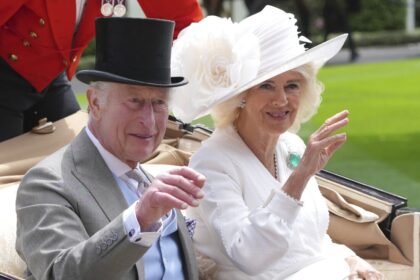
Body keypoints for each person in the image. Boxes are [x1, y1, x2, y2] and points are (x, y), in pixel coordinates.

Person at [171, 6, 383, 280]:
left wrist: (349, 258)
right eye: (267, 86)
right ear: (241, 96)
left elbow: (308, 241)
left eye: (292, 85)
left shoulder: (291, 146)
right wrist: (300, 177)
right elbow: (249, 255)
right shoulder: (212, 162)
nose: (281, 100)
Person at [15, 17, 205, 280]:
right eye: (134, 100)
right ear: (95, 103)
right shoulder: (48, 183)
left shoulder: (151, 183)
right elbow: (60, 274)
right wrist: (139, 218)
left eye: (159, 103)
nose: (149, 121)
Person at [0, 0, 203, 142]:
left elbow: (185, 21)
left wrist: (207, 65)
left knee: (87, 159)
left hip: (52, 75)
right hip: (5, 73)